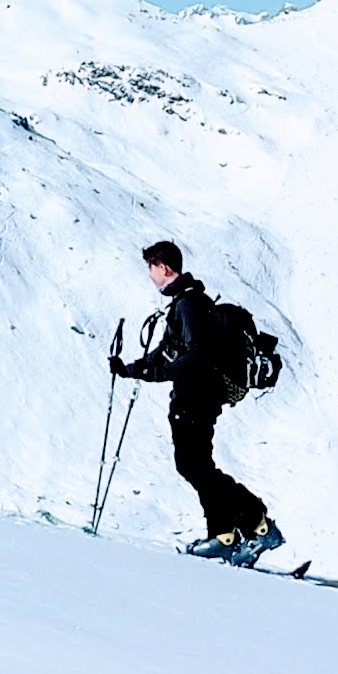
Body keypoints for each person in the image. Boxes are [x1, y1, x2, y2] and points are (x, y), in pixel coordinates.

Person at [115, 240, 283, 566]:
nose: (149, 275)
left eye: (150, 267)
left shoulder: (188, 304)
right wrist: (130, 369)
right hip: (197, 396)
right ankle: (224, 535)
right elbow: (166, 350)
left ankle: (258, 525)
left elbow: (195, 356)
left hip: (196, 397)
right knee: (197, 466)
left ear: (163, 267)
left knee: (194, 466)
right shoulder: (186, 302)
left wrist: (159, 373)